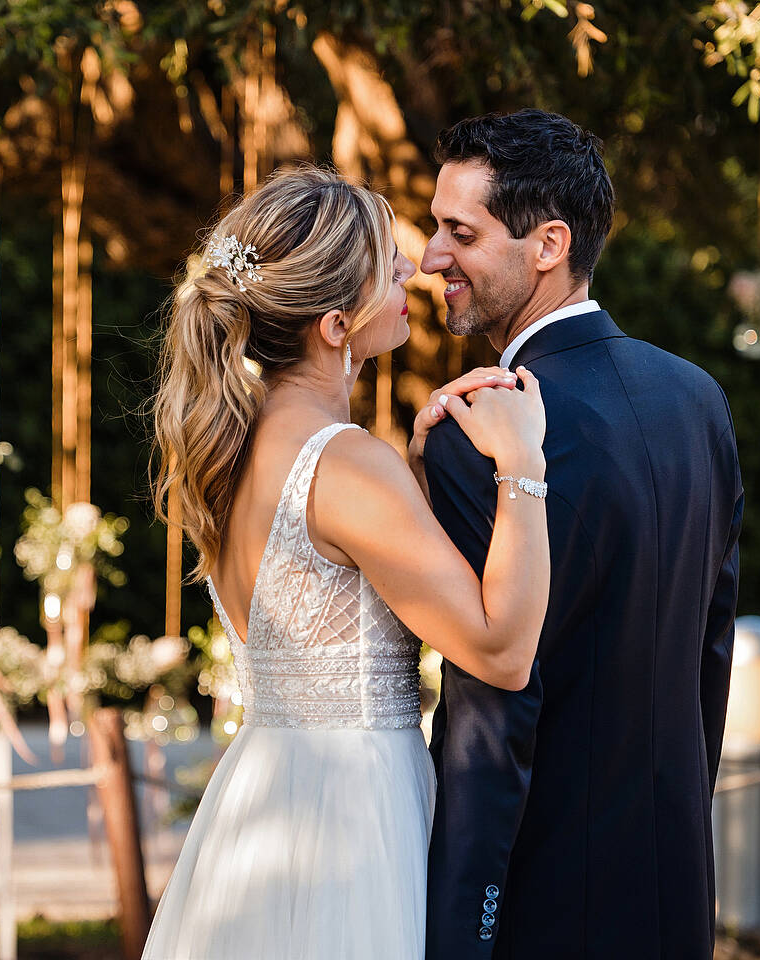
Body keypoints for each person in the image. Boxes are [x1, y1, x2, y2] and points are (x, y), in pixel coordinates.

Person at [143, 165, 552, 960]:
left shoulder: (235, 446)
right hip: (351, 813)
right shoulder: (348, 462)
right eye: (387, 263)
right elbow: (502, 653)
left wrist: (422, 474)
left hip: (264, 795)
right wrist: (520, 463)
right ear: (336, 324)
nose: (414, 269)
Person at [418, 109, 743, 959]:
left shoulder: (478, 434)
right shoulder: (697, 398)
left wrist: (464, 925)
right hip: (675, 883)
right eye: (432, 228)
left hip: (541, 900)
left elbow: (491, 709)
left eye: (460, 232)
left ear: (548, 244)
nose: (430, 258)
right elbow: (712, 648)